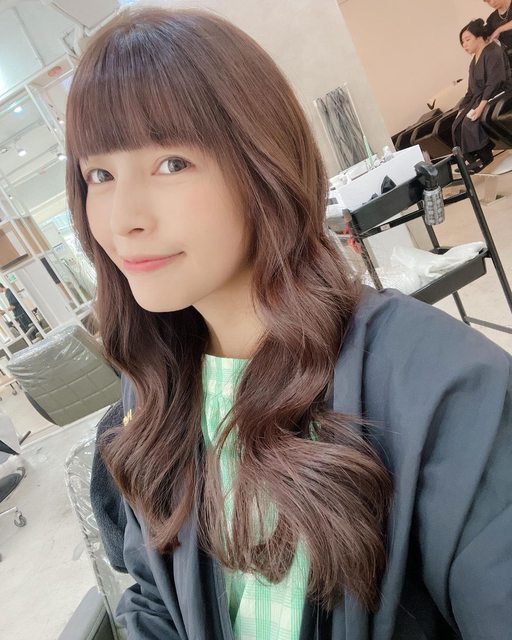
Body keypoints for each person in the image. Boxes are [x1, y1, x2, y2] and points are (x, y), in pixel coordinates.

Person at [66, 8, 512, 639]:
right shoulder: (150, 390)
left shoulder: (446, 387)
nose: (122, 219)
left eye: (170, 163)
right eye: (100, 175)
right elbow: (155, 595)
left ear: (262, 159)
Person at [452, 19, 510, 173]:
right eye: (462, 42)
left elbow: (494, 82)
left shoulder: (493, 51)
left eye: (467, 40)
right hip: (482, 96)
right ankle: (471, 159)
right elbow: (471, 90)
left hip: (498, 92)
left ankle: (484, 157)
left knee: (469, 121)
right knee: (457, 123)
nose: (464, 45)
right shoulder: (473, 62)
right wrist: (462, 108)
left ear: (479, 37)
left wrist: (481, 107)